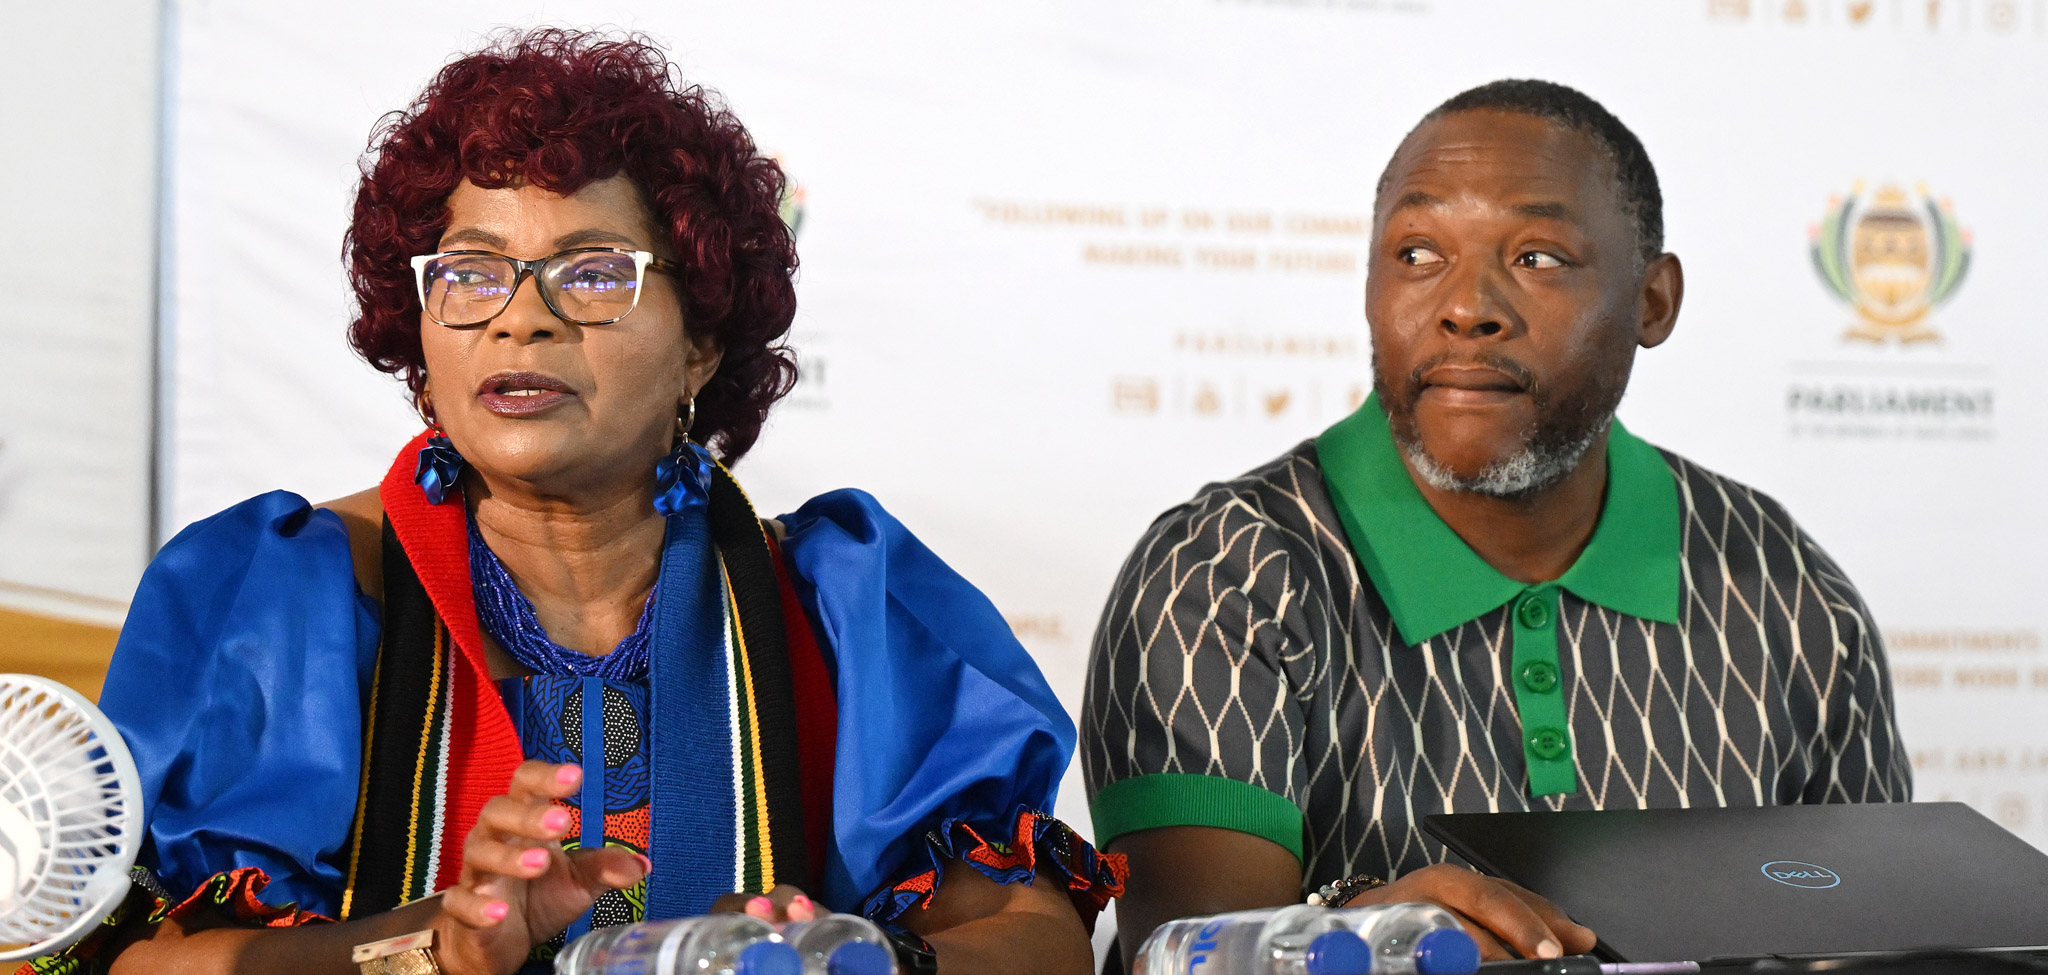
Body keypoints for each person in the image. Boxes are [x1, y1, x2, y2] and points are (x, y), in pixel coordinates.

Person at [24, 30, 1120, 975]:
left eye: (593, 273)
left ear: (700, 344)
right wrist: (435, 946)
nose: (521, 317)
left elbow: (1035, 939)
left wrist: (857, 960)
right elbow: (145, 962)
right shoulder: (284, 597)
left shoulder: (842, 605)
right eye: (470, 271)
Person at [1082, 79, 1910, 971]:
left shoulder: (1786, 586)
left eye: (1537, 258)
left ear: (1653, 302)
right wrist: (1362, 935)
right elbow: (1182, 955)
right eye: (1417, 252)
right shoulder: (1222, 573)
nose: (1466, 305)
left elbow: (1880, 941)